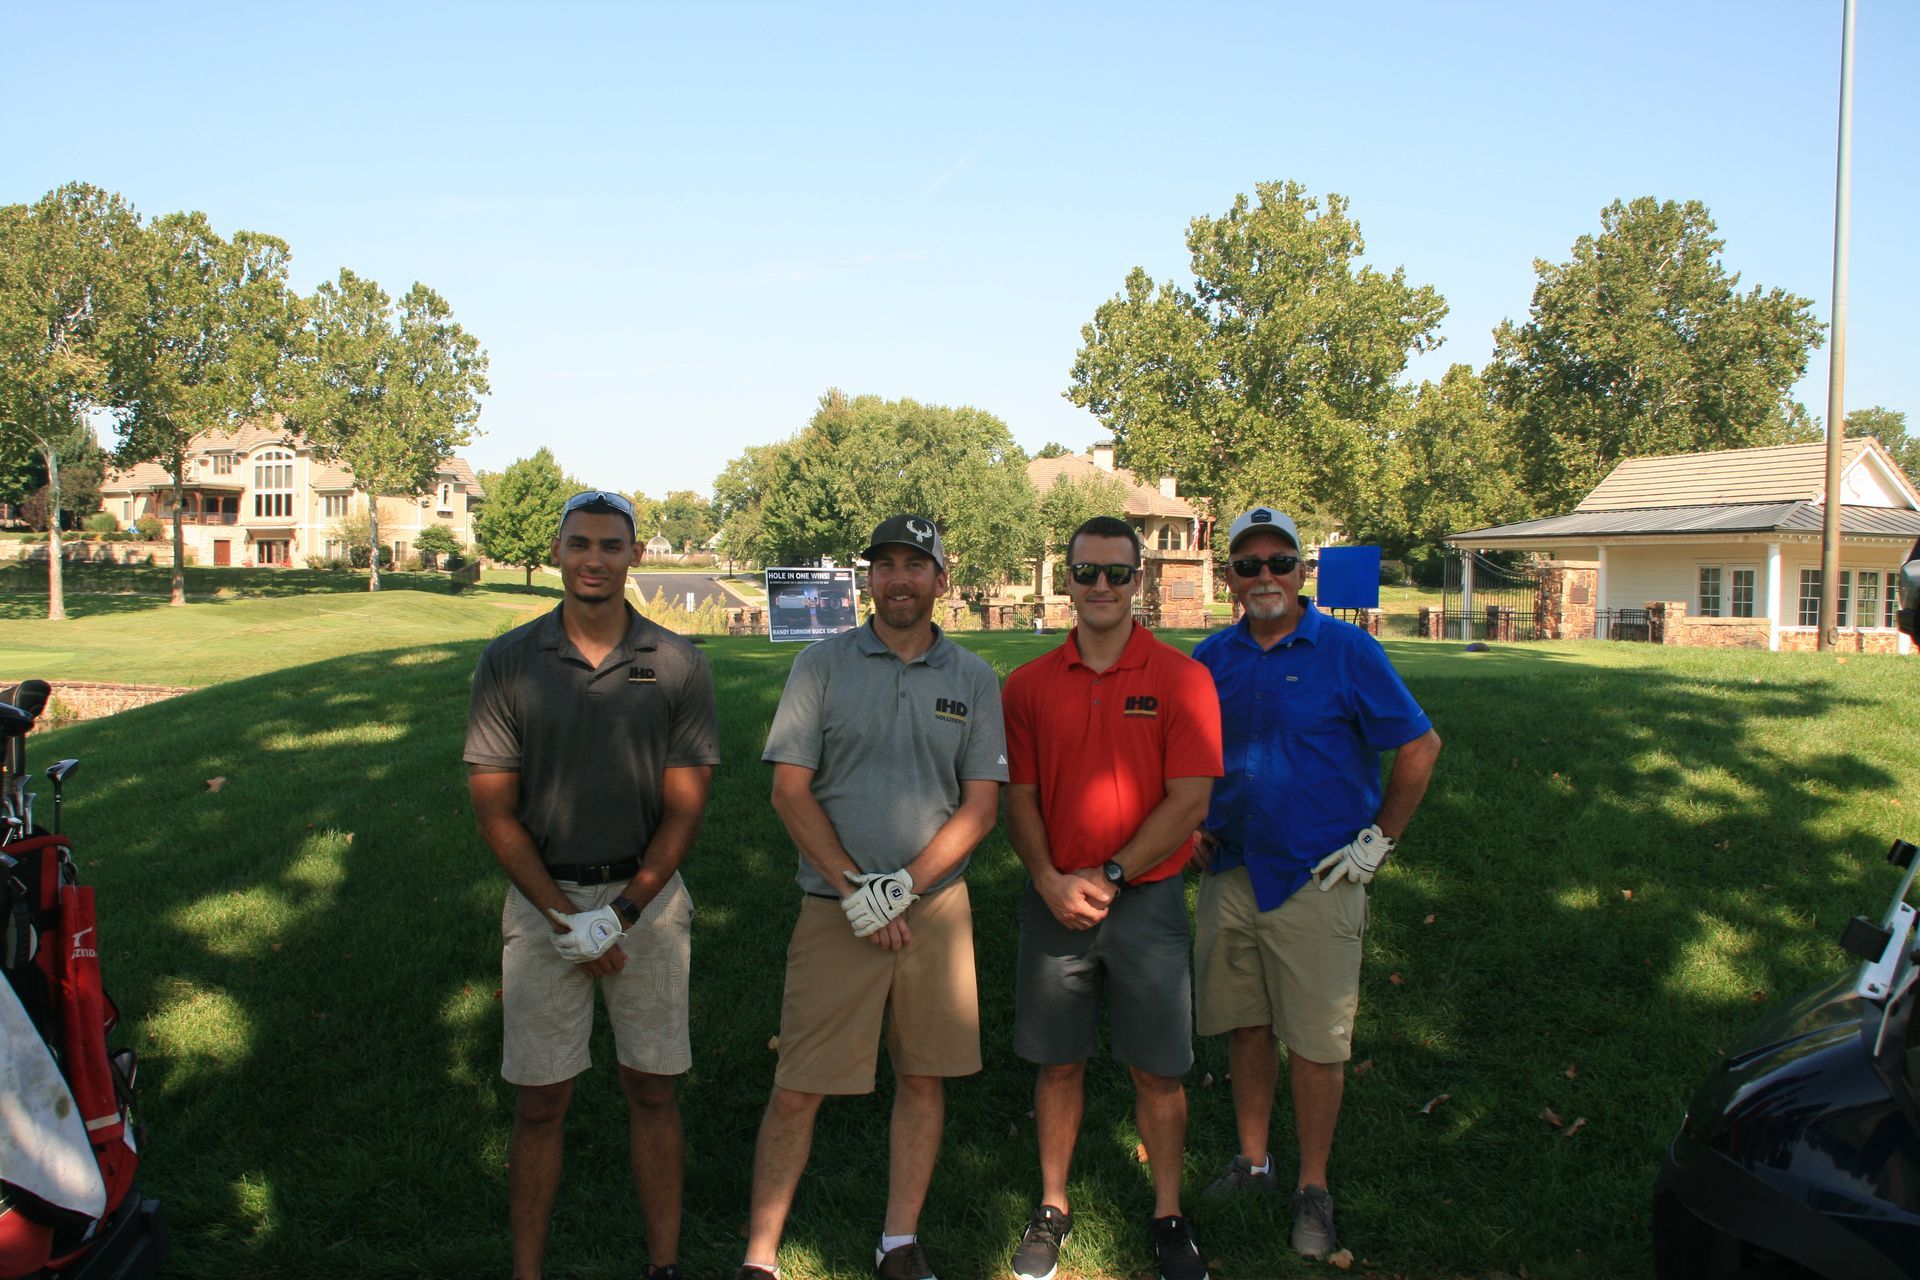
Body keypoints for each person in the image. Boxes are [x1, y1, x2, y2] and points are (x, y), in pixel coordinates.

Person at [739, 514, 1007, 1280]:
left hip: (936, 913)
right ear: (870, 579)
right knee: (798, 1086)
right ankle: (761, 1257)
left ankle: (899, 1243)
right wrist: (858, 886)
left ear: (941, 581)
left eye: (915, 566)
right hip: (834, 909)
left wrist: (903, 889)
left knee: (922, 1078)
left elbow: (981, 808)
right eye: (885, 565)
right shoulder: (820, 667)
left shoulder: (975, 678)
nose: (898, 579)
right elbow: (789, 793)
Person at [465, 490, 719, 1280]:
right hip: (544, 904)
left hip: (647, 901)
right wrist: (563, 917)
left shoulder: (679, 662)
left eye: (612, 545)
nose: (595, 560)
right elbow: (494, 810)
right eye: (581, 544)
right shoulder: (509, 661)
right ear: (557, 552)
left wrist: (625, 913)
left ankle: (664, 1266)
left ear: (634, 555)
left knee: (652, 1089)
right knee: (540, 1100)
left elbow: (685, 808)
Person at [1190, 505, 1442, 1259]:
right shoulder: (1209, 657)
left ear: (1302, 572)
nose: (1264, 577)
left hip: (1317, 878)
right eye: (1248, 565)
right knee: (1246, 1025)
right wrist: (1194, 819)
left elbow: (1420, 745)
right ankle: (1255, 1159)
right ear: (1229, 576)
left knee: (1320, 1045)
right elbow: (1188, 755)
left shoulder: (1346, 651)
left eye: (1279, 563)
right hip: (1231, 872)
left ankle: (1314, 1187)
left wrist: (1379, 841)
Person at [1000, 515, 1223, 1280]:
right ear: (1065, 579)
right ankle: (1053, 1207)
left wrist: (1113, 874)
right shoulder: (1026, 686)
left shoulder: (1183, 679)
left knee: (1159, 1070)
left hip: (1147, 906)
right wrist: (1045, 877)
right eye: (1086, 572)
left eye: (1117, 574)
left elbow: (1189, 801)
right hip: (1054, 901)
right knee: (1058, 1062)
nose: (1101, 587)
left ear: (1141, 582)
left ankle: (1168, 1214)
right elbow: (1018, 797)